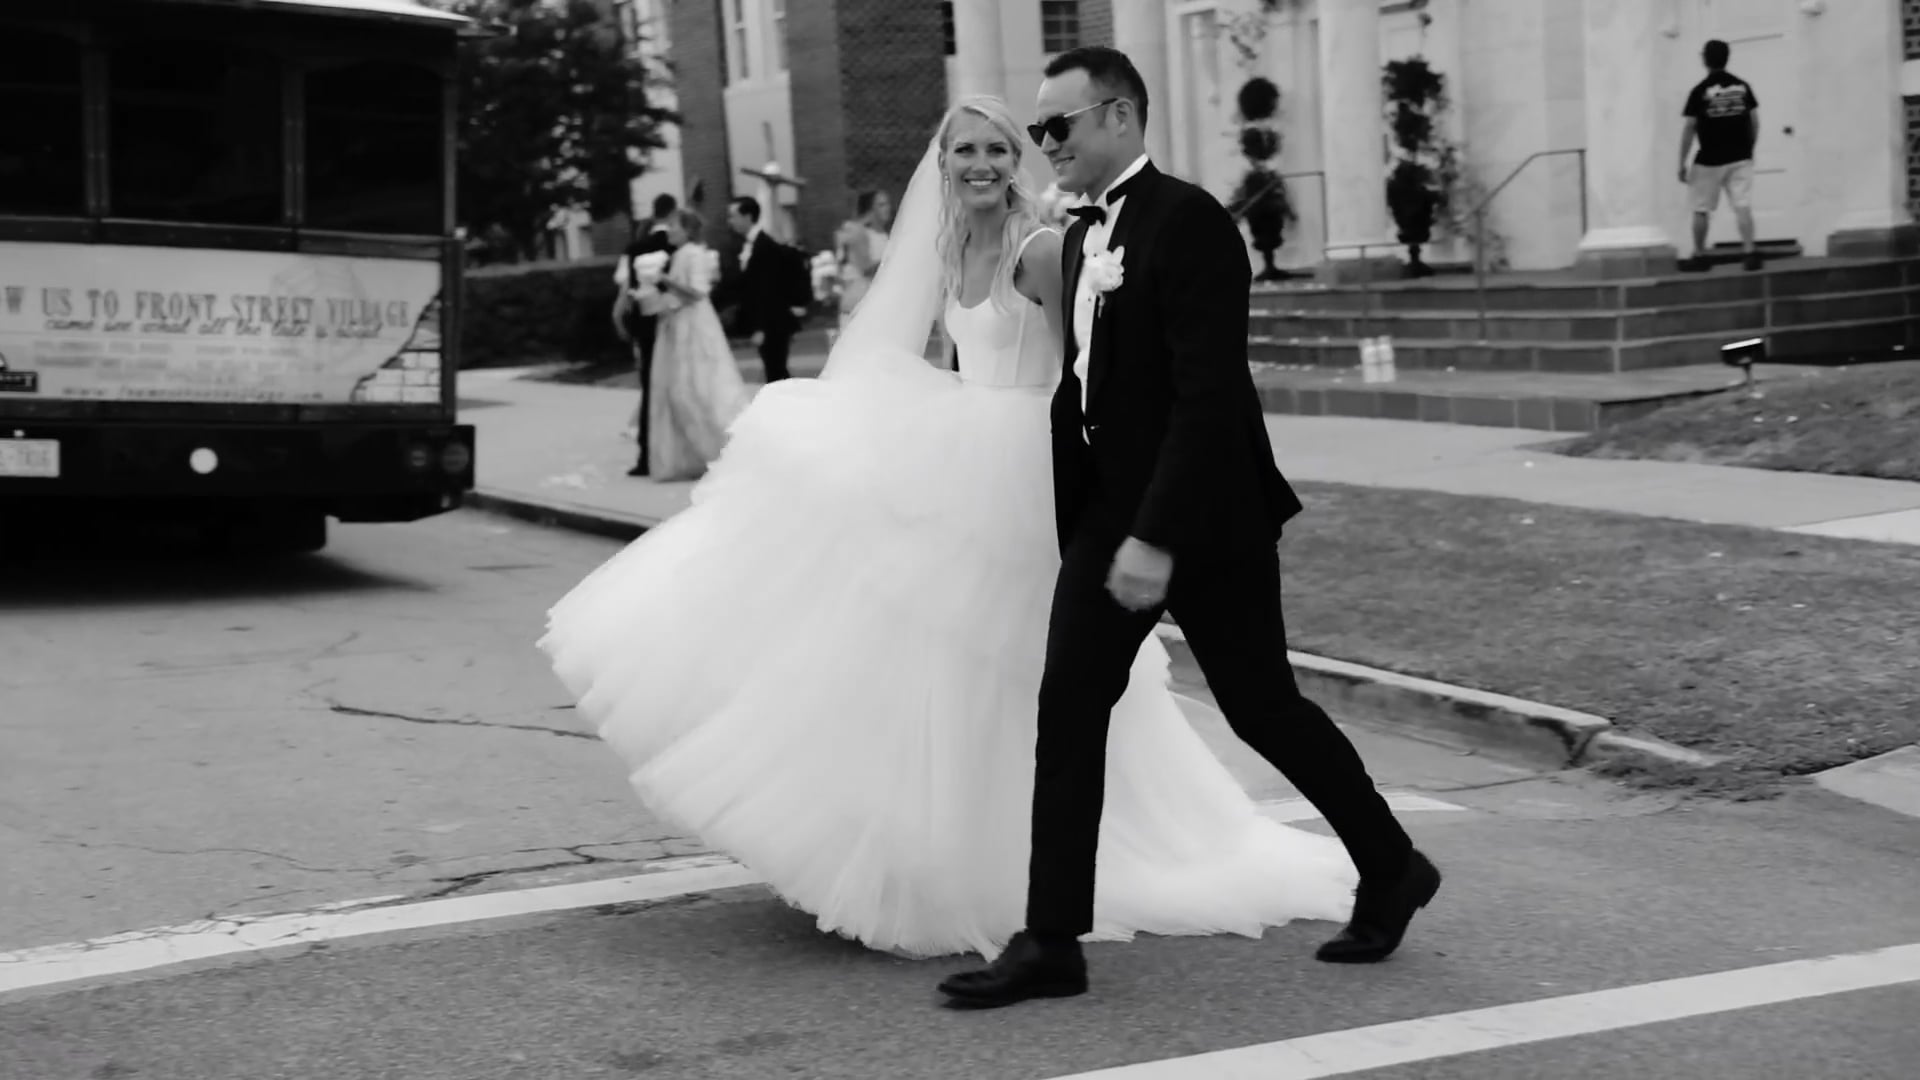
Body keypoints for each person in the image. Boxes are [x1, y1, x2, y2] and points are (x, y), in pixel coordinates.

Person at [539, 95, 1359, 963]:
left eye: (1001, 150)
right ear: (943, 163)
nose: (984, 164)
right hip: (966, 457)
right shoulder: (942, 249)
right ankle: (940, 862)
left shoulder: (1044, 251)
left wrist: (1114, 490)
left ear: (1019, 162)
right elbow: (939, 357)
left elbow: (1086, 374)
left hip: (1032, 471)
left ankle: (1039, 901)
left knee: (1036, 678)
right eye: (967, 149)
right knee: (938, 665)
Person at [936, 47, 1438, 1010]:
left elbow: (1208, 398)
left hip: (1207, 517)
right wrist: (1085, 518)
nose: (1046, 146)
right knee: (1068, 706)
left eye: (1059, 127)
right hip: (1110, 517)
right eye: (1040, 129)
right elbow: (1079, 387)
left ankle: (1391, 865)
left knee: (1262, 708)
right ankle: (1051, 943)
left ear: (1118, 118)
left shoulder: (1192, 222)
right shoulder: (1077, 238)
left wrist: (1157, 534)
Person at [644, 209, 751, 482]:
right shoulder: (679, 254)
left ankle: (727, 447)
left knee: (701, 385)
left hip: (696, 326)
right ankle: (700, 451)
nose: (669, 231)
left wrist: (665, 281)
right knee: (683, 389)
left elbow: (698, 292)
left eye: (674, 226)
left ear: (687, 229)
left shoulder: (693, 253)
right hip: (680, 323)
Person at [1678, 39, 1761, 273]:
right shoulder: (1743, 87)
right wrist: (1749, 149)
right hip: (1740, 156)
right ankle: (1749, 252)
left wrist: (1681, 162)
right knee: (1742, 205)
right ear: (1727, 58)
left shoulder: (1699, 91)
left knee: (1701, 208)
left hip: (1709, 160)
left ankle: (1700, 254)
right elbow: (1754, 122)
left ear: (1705, 59)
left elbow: (1689, 127)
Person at [614, 193, 680, 474]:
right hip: (678, 323)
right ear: (674, 213)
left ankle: (647, 455)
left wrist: (628, 326)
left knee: (651, 388)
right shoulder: (682, 246)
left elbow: (629, 294)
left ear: (653, 214)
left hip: (647, 326)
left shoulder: (636, 248)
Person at [714, 196, 806, 383]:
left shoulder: (764, 246)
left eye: (733, 216)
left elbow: (767, 291)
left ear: (748, 216)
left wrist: (760, 328)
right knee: (775, 371)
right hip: (769, 321)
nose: (730, 221)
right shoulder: (752, 244)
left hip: (773, 322)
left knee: (776, 373)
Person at [833, 189, 892, 330]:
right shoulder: (859, 234)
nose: (887, 208)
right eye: (881, 205)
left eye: (887, 203)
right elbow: (866, 268)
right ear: (870, 210)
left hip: (879, 307)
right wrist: (895, 260)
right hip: (858, 307)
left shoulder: (886, 236)